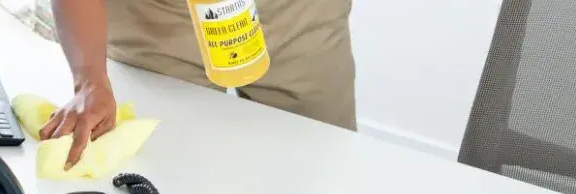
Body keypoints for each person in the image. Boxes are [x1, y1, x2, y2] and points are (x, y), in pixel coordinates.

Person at [42, 0, 356, 169]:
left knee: (321, 164)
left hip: (299, 10)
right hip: (160, 15)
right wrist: (90, 80)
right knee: (167, 165)